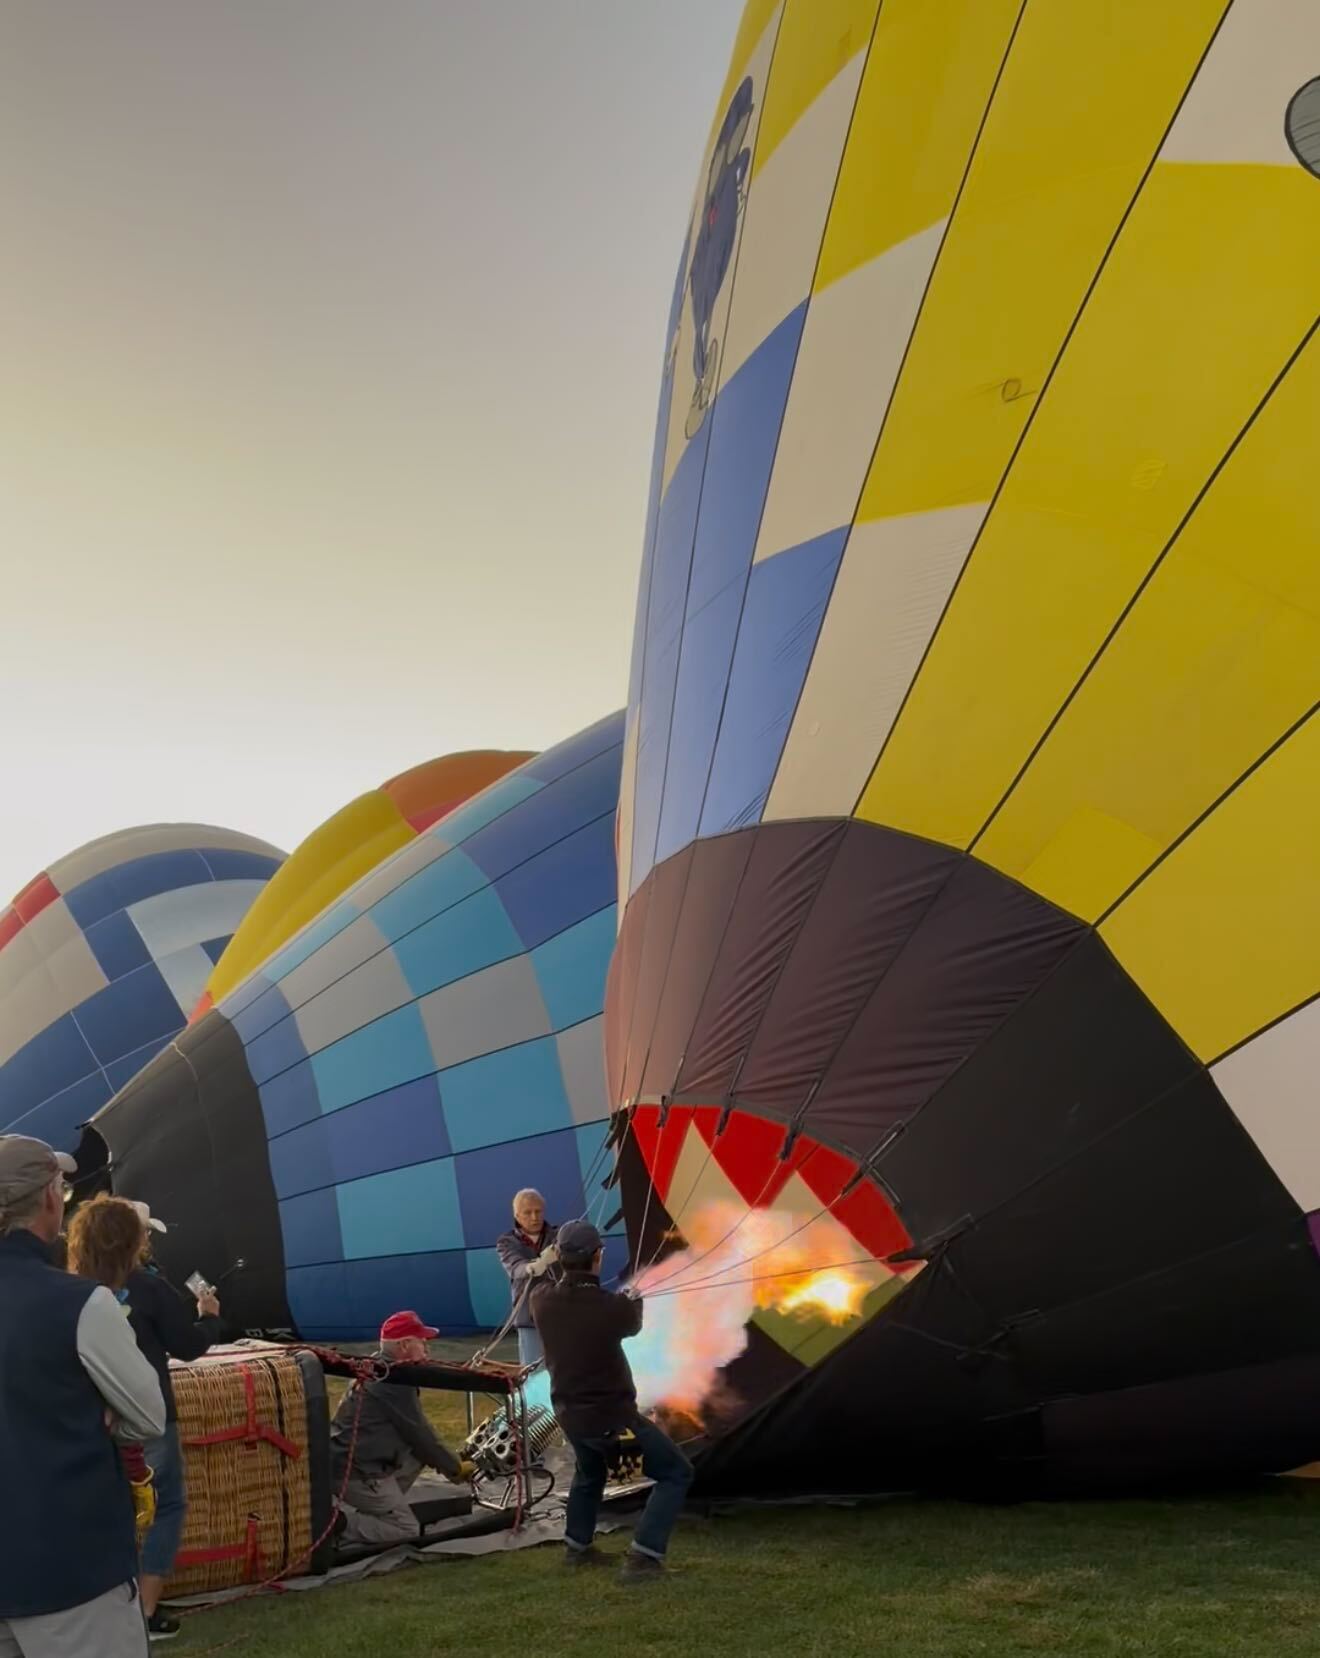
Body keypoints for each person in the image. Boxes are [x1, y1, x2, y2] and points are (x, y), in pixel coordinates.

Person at [0, 1136, 166, 1658]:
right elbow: (149, 1416)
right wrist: (103, 1412)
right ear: (52, 1198)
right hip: (71, 1569)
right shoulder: (81, 1303)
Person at [67, 1195, 224, 1642]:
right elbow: (188, 1345)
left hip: (88, 1420)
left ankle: (99, 1607)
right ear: (135, 1240)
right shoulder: (151, 1288)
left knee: (100, 1510)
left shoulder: (67, 1288)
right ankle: (145, 1611)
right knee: (165, 1506)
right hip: (146, 1417)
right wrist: (210, 1318)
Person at [530, 1219, 693, 1583]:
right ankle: (643, 1558)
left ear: (558, 1255)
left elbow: (556, 1288)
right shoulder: (611, 1307)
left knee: (590, 1473)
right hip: (614, 1421)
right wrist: (635, 1299)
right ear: (598, 1256)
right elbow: (632, 1323)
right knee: (675, 1473)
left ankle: (577, 1548)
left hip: (570, 1416)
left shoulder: (540, 1300)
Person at [329, 1311, 476, 1549]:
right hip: (358, 1471)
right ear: (405, 1345)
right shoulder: (392, 1382)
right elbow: (419, 1433)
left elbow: (420, 1444)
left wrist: (444, 1461)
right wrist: (454, 1467)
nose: (427, 1349)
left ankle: (382, 1507)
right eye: (422, 1342)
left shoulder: (377, 1366)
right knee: (406, 1529)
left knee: (418, 1456)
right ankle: (340, 1525)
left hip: (346, 1458)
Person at [495, 1188, 559, 1366]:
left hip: (560, 1313)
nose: (534, 1217)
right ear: (517, 1215)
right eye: (527, 1212)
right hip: (528, 1317)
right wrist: (535, 1265)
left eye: (538, 1211)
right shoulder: (506, 1242)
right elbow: (515, 1268)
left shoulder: (560, 1236)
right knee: (533, 1371)